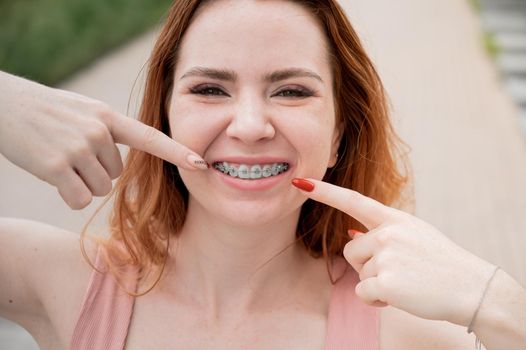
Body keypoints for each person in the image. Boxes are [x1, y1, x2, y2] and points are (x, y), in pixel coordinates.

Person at [0, 0, 525, 349]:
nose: (250, 127)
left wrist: (497, 301)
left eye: (292, 91)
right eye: (209, 89)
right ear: (163, 117)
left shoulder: (408, 332)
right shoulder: (54, 276)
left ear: (340, 132)